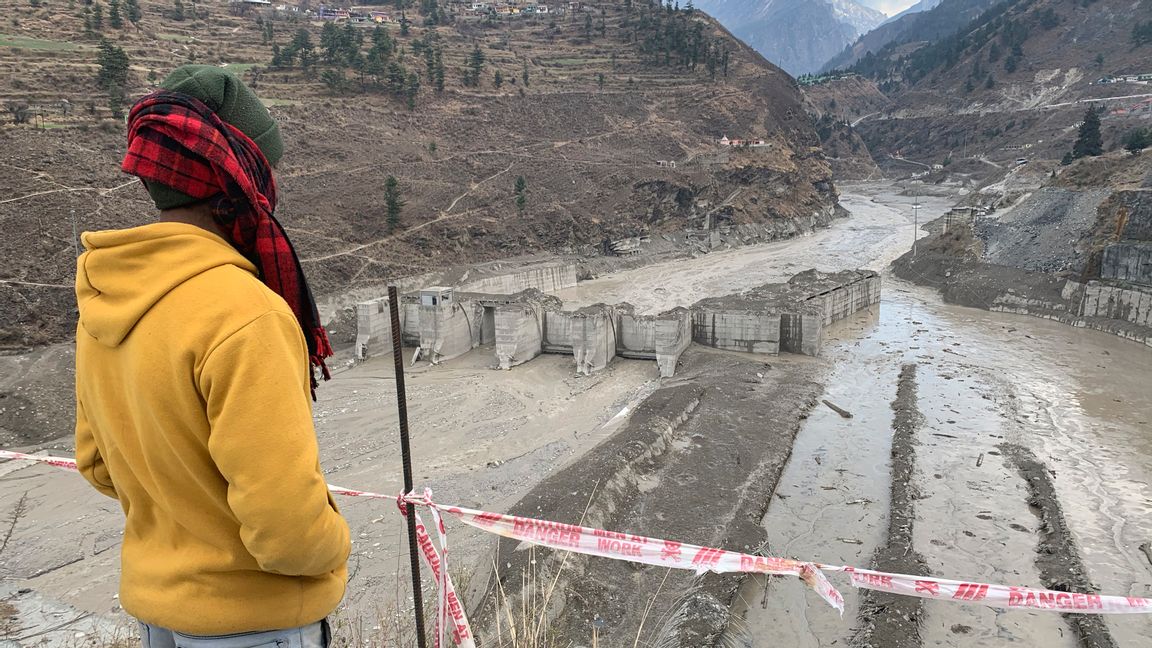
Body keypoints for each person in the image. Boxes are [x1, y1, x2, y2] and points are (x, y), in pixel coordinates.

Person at [73, 65, 350, 648]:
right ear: (243, 178)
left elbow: (99, 466)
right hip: (255, 624)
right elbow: (288, 529)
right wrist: (335, 540)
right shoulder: (246, 315)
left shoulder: (106, 298)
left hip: (161, 616)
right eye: (267, 168)